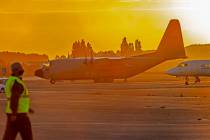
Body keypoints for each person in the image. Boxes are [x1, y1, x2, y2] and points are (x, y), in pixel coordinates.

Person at [3, 62, 34, 140]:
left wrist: (27, 108)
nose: (22, 70)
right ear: (16, 71)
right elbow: (14, 98)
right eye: (21, 69)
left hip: (12, 114)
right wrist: (14, 113)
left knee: (8, 137)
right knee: (28, 137)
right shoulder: (17, 82)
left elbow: (19, 98)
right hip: (19, 116)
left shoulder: (11, 80)